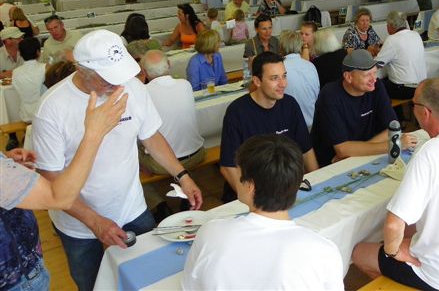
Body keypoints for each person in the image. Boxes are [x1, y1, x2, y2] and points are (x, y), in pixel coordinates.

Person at [32, 30, 202, 291]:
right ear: (81, 69)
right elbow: (51, 180)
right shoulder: (52, 108)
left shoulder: (131, 87)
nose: (118, 85)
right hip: (79, 223)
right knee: (90, 282)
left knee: (150, 273)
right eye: (107, 79)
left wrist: (182, 175)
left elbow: (151, 136)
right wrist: (94, 221)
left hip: (132, 206)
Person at [352, 78, 439, 291]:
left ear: (425, 113)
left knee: (359, 252)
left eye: (414, 104)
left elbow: (393, 224)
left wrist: (393, 252)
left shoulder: (429, 153)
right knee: (408, 230)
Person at [1, 90, 127, 291]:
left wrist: (7, 164)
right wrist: (94, 133)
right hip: (15, 280)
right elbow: (59, 198)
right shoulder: (50, 107)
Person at [183, 134, 343, 290]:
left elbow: (189, 287)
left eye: (238, 172)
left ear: (250, 186)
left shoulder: (210, 232)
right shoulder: (324, 251)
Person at [220, 52, 319, 202]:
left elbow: (306, 150)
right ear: (257, 81)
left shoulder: (290, 105)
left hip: (284, 189)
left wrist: (318, 183)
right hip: (250, 193)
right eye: (274, 78)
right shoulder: (237, 112)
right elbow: (228, 167)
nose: (283, 84)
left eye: (284, 76)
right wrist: (251, 201)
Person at [311, 49, 418, 167]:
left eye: (375, 73)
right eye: (367, 75)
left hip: (358, 157)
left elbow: (392, 129)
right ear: (348, 77)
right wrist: (393, 145)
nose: (374, 79)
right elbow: (341, 149)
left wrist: (355, 151)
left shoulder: (376, 85)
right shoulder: (330, 95)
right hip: (333, 163)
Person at [139, 50, 206, 218]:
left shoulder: (143, 92)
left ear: (144, 72)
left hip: (162, 165)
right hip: (197, 154)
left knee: (128, 155)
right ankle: (186, 193)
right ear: (169, 65)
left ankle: (158, 205)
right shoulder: (185, 84)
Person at [376, 11, 426, 100]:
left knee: (373, 84)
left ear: (391, 25)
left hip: (405, 89)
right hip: (422, 86)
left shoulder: (392, 39)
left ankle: (386, 109)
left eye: (387, 25)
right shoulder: (415, 34)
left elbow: (377, 64)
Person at [280, 30, 320, 128]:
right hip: (313, 121)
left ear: (281, 47)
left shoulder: (280, 68)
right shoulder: (310, 66)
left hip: (290, 124)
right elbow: (316, 93)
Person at [13, 37, 46, 122]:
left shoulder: (15, 72)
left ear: (20, 53)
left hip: (25, 115)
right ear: (38, 52)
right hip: (43, 114)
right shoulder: (45, 68)